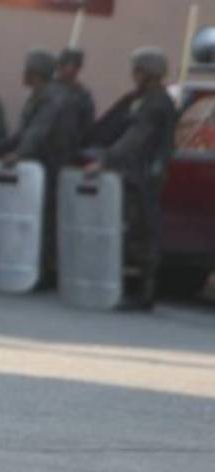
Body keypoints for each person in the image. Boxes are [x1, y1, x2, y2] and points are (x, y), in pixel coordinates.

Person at [83, 48, 178, 310]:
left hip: (144, 176)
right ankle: (133, 289)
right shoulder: (142, 99)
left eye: (137, 71)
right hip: (137, 174)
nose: (133, 76)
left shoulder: (156, 104)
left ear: (147, 74)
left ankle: (143, 293)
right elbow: (113, 126)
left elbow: (135, 139)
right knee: (133, 231)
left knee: (141, 233)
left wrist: (104, 160)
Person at [0, 51, 70, 283]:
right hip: (39, 164)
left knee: (44, 218)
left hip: (49, 165)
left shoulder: (52, 98)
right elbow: (22, 134)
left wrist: (18, 154)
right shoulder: (38, 96)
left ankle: (45, 272)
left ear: (35, 73)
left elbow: (37, 132)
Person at [56, 47, 96, 158]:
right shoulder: (47, 89)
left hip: (67, 150)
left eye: (75, 65)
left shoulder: (83, 96)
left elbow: (87, 126)